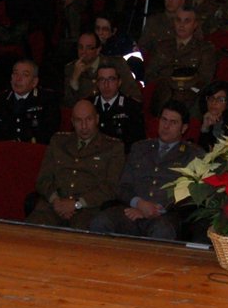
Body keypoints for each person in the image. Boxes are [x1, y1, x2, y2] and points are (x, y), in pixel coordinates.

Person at [89, 101, 199, 241]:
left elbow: (190, 195)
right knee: (101, 221)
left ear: (183, 128)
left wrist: (156, 209)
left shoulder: (192, 155)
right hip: (131, 209)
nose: (166, 126)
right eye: (164, 120)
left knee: (162, 231)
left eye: (173, 122)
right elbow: (123, 186)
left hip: (165, 215)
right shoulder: (140, 148)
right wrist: (139, 203)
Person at [25, 100, 125, 230]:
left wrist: (77, 204)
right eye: (78, 121)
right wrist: (55, 200)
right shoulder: (58, 141)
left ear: (97, 119)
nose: (84, 126)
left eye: (88, 119)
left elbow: (111, 187)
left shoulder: (113, 147)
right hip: (52, 208)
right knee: (29, 234)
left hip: (87, 211)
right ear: (72, 122)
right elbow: (43, 179)